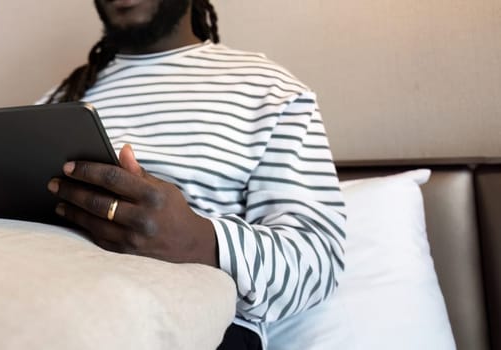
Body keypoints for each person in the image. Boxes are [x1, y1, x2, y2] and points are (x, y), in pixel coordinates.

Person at [39, 0, 346, 348]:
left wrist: (201, 240)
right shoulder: (61, 100)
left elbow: (319, 263)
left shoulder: (271, 91)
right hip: (49, 315)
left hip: (196, 328)